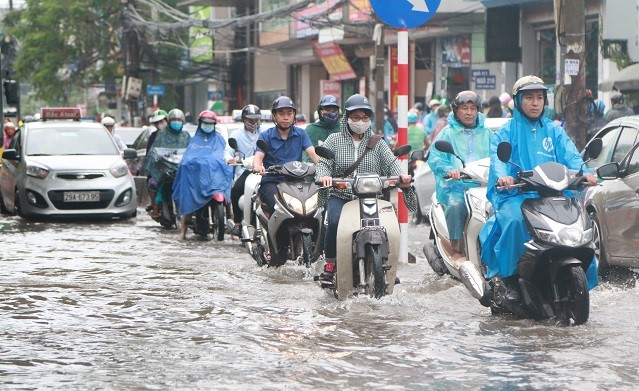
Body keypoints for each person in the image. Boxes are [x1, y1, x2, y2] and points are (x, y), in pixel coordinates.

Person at [479, 75, 599, 302]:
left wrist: (585, 173)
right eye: (529, 98)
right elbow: (499, 162)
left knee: (579, 220)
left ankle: (581, 275)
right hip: (517, 195)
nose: (535, 103)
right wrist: (504, 177)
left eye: (540, 98)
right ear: (518, 101)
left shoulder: (555, 132)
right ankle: (510, 279)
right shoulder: (505, 133)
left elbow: (572, 156)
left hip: (552, 195)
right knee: (515, 221)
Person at [316, 93, 417, 288]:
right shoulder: (333, 140)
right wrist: (325, 176)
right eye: (355, 117)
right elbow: (323, 164)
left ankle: (386, 263)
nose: (360, 122)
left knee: (389, 225)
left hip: (372, 199)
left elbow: (392, 164)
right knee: (334, 222)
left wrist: (402, 177)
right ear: (346, 118)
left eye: (364, 117)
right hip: (342, 196)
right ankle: (330, 264)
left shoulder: (377, 142)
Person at [427, 91, 491, 263]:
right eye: (464, 108)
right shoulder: (447, 133)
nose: (469, 112)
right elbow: (435, 157)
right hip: (455, 187)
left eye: (473, 108)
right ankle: (456, 249)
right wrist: (449, 170)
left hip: (482, 186)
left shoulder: (488, 134)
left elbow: (498, 156)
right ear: (456, 111)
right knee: (456, 206)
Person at [172, 110, 235, 240]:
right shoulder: (195, 140)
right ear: (200, 123)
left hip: (214, 179)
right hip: (196, 179)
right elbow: (187, 158)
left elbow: (224, 155)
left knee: (228, 196)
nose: (208, 125)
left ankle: (233, 225)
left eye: (210, 123)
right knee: (188, 196)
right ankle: (183, 230)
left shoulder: (219, 139)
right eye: (205, 123)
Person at [252, 96, 319, 214]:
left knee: (312, 209)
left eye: (289, 113)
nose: (286, 117)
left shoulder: (301, 134)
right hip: (272, 182)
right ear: (274, 116)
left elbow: (313, 155)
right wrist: (257, 166)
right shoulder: (265, 136)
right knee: (278, 209)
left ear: (294, 115)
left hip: (298, 182)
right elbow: (258, 157)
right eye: (281, 114)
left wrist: (325, 168)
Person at [143, 108, 192, 221]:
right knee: (152, 183)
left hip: (181, 169)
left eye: (179, 120)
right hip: (163, 169)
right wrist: (155, 157)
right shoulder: (160, 135)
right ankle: (155, 207)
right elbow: (153, 152)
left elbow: (191, 151)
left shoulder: (186, 136)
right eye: (174, 119)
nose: (176, 122)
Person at [229, 104, 262, 236]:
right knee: (236, 189)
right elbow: (228, 151)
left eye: (256, 119)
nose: (254, 122)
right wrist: (230, 159)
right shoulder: (236, 134)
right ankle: (237, 221)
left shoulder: (265, 132)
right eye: (250, 119)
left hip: (263, 169)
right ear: (244, 119)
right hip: (245, 170)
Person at [303, 95, 341, 162]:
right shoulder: (311, 129)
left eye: (334, 110)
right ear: (320, 111)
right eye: (327, 110)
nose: (331, 113)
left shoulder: (343, 129)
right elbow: (306, 155)